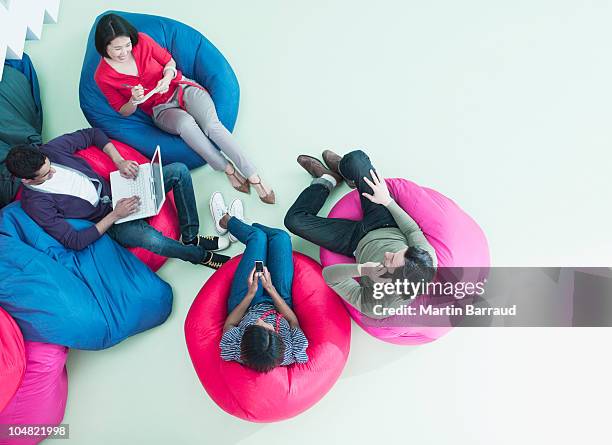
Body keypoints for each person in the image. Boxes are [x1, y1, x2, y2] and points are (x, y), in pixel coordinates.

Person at [93, 13, 275, 204]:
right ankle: (226, 168)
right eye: (117, 49)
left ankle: (253, 176)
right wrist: (133, 100)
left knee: (212, 126)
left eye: (128, 45)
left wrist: (166, 76)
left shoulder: (143, 42)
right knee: (186, 125)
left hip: (182, 87)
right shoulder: (103, 76)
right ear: (104, 47)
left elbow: (168, 61)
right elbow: (123, 110)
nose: (125, 52)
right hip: (161, 109)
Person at [5, 128, 230, 270]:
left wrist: (119, 160)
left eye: (49, 166)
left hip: (120, 187)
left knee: (179, 171)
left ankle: (191, 238)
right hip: (111, 220)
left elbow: (92, 134)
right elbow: (74, 241)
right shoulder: (35, 204)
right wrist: (116, 214)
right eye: (46, 175)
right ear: (27, 181)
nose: (52, 171)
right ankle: (198, 255)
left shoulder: (51, 151)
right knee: (152, 240)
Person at [284, 149, 437, 319]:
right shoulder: (425, 259)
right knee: (355, 159)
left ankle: (326, 180)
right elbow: (411, 230)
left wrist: (362, 269)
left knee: (294, 221)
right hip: (384, 221)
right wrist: (387, 201)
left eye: (390, 260)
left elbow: (330, 276)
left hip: (354, 242)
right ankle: (346, 172)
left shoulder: (377, 305)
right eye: (396, 253)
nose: (387, 253)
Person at [210, 192, 308, 372]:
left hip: (247, 303)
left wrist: (251, 293)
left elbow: (230, 324)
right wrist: (270, 289)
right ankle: (246, 228)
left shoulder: (234, 347)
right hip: (280, 301)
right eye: (269, 327)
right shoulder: (293, 350)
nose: (263, 321)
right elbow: (293, 322)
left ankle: (225, 221)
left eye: (257, 325)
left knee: (257, 238)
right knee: (281, 237)